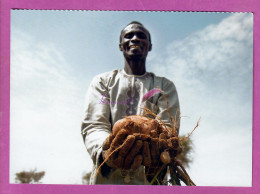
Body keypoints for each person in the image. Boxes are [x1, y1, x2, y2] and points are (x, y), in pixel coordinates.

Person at [81, 21, 180, 185]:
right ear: (121, 45)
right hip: (107, 182)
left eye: (141, 36)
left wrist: (160, 145)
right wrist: (107, 153)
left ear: (149, 46)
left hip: (149, 181)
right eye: (129, 36)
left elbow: (168, 126)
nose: (135, 39)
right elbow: (94, 124)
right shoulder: (103, 82)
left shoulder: (164, 86)